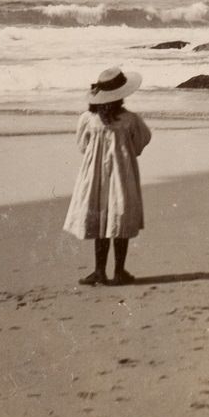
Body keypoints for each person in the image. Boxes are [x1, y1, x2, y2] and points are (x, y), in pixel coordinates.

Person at [63, 66, 152, 285]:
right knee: (119, 216)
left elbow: (82, 146)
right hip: (123, 173)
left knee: (101, 217)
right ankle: (119, 271)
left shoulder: (88, 119)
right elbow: (140, 143)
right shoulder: (131, 119)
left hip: (95, 175)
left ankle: (99, 271)